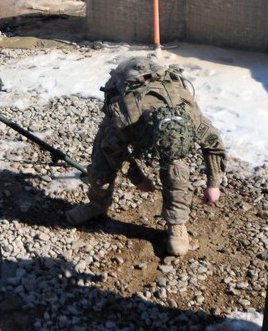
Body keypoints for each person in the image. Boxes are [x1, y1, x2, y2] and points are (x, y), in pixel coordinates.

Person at [65, 55, 226, 257]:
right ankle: (96, 205)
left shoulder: (191, 117)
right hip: (123, 91)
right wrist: (137, 178)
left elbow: (214, 146)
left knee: (177, 171)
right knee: (100, 170)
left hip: (167, 121)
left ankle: (176, 223)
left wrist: (213, 184)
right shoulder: (126, 119)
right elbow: (112, 150)